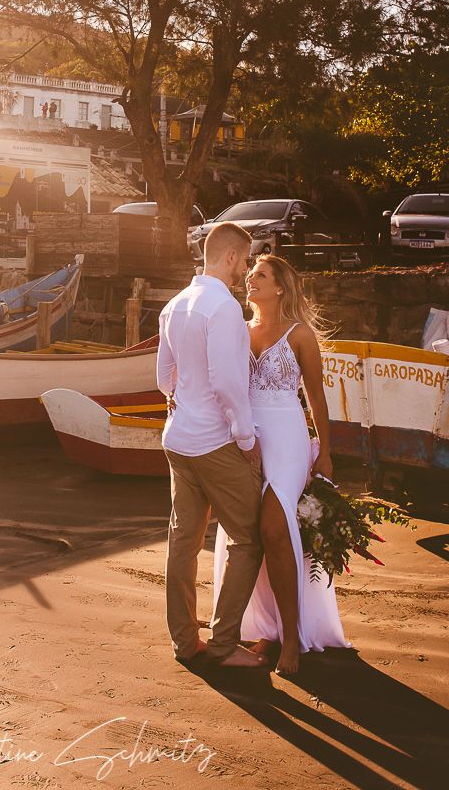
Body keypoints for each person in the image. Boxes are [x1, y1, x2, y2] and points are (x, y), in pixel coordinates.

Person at [213, 254, 350, 675]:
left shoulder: (300, 334)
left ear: (279, 287)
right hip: (244, 441)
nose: (250, 280)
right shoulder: (237, 331)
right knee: (248, 533)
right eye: (250, 274)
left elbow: (317, 398)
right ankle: (266, 627)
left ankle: (291, 639)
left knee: (275, 529)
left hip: (287, 438)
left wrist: (325, 452)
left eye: (260, 275)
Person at [158, 222, 267, 669]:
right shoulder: (222, 307)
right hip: (213, 443)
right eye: (245, 259)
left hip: (178, 439)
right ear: (230, 257)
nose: (245, 269)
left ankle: (186, 642)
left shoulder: (175, 304)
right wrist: (246, 438)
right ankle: (223, 646)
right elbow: (226, 382)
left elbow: (163, 377)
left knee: (183, 543)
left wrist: (180, 402)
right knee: (248, 538)